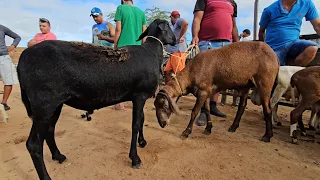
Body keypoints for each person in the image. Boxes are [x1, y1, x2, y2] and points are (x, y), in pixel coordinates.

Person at [191, 0, 239, 126]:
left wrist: (238, 43)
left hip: (226, 44)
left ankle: (212, 106)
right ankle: (203, 110)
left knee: (219, 78)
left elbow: (234, 25)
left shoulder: (232, 2)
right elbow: (197, 18)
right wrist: (195, 36)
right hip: (207, 42)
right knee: (205, 79)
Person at [259, 0, 320, 66]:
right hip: (274, 48)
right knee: (272, 70)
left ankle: (295, 71)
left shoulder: (306, 3)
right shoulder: (269, 10)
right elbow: (261, 31)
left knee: (312, 48)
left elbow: (317, 25)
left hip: (293, 44)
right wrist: (263, 50)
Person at [113, 0, 147, 110]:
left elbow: (118, 29)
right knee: (134, 75)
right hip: (137, 48)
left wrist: (115, 46)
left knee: (120, 75)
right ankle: (136, 101)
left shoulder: (121, 8)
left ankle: (119, 103)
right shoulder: (141, 13)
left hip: (123, 47)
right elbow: (144, 33)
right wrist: (143, 47)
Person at [164, 10, 189, 83]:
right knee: (167, 71)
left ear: (172, 17)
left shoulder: (178, 21)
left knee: (179, 74)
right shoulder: (174, 26)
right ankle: (168, 89)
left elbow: (186, 23)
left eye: (170, 18)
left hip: (178, 52)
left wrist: (180, 37)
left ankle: (181, 92)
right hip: (172, 53)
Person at [0, 25, 21, 110]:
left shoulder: (2, 28)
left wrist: (13, 46)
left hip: (3, 57)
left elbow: (17, 37)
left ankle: (4, 102)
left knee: (8, 80)